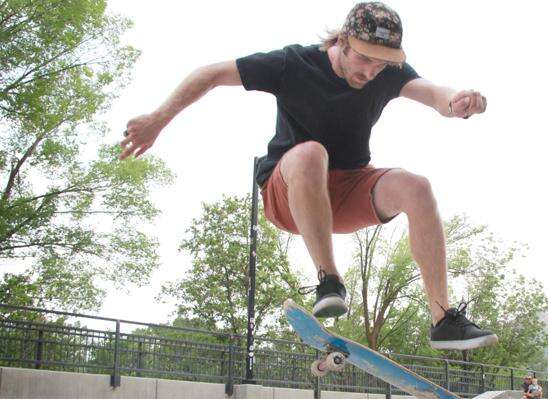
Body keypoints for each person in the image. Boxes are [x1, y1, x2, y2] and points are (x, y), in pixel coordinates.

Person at [120, 2, 498, 351]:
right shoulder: (293, 63)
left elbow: (433, 93)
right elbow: (212, 74)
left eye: (379, 65)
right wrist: (158, 119)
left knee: (417, 187)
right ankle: (329, 280)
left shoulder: (386, 73)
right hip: (288, 192)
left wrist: (456, 102)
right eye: (363, 59)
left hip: (347, 188)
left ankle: (442, 320)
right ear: (342, 41)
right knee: (311, 152)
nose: (369, 72)